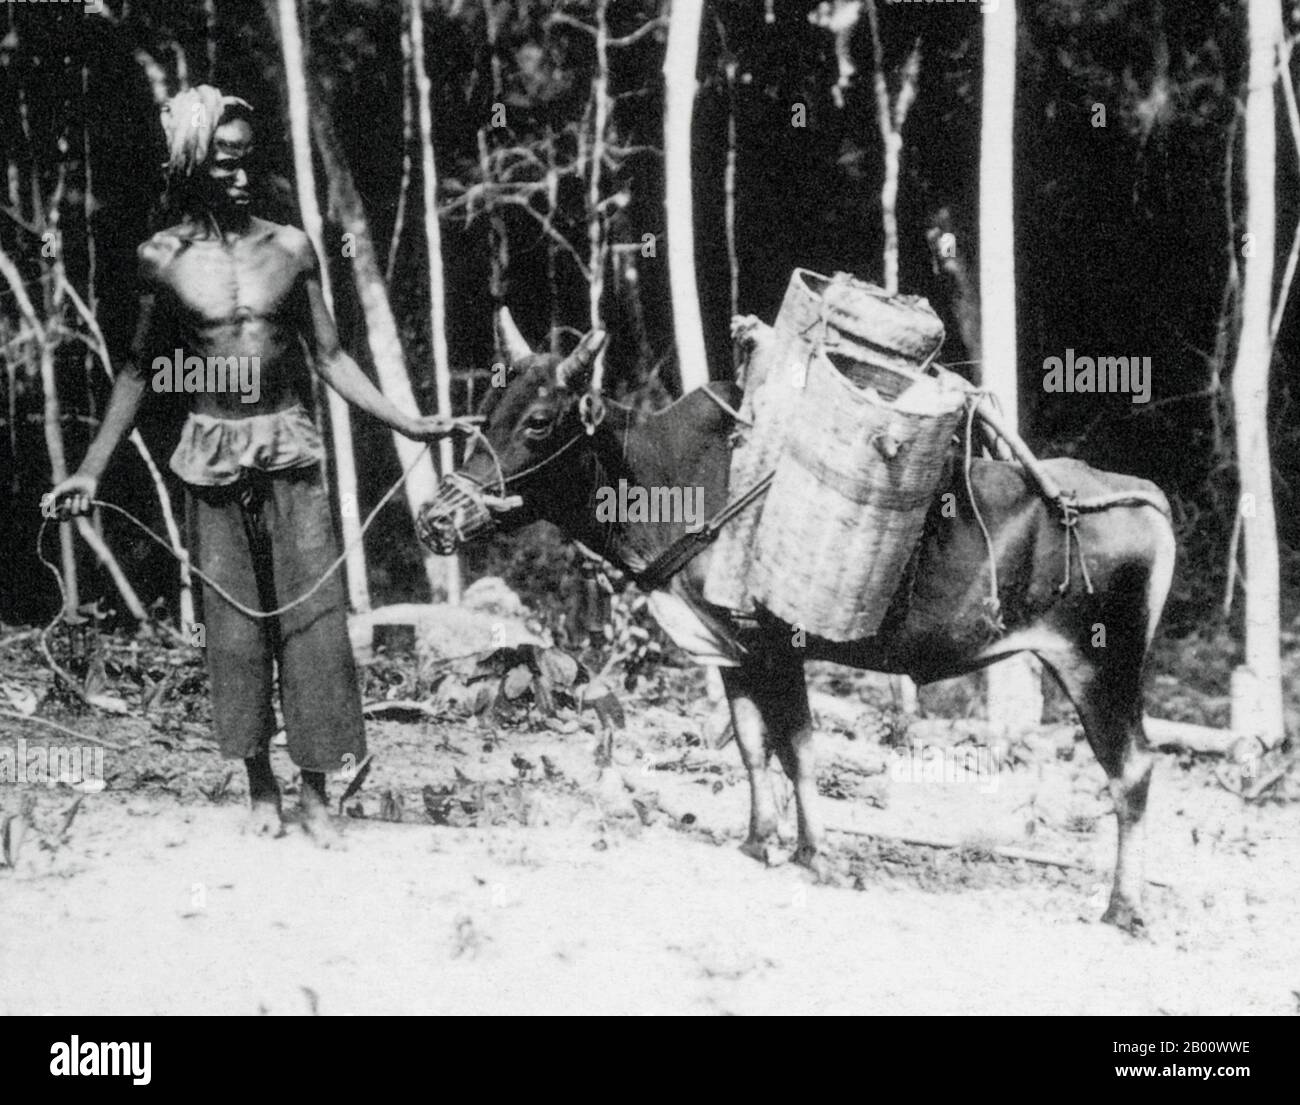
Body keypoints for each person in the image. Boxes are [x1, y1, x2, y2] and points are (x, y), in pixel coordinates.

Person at [50, 86, 456, 840]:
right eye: (223, 163)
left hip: (290, 447)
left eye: (246, 161)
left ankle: (316, 790)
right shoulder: (161, 259)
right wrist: (91, 470)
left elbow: (329, 355)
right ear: (192, 166)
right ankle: (259, 785)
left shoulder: (291, 247)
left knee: (313, 622)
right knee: (234, 631)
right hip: (211, 451)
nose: (240, 177)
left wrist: (405, 420)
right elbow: (139, 371)